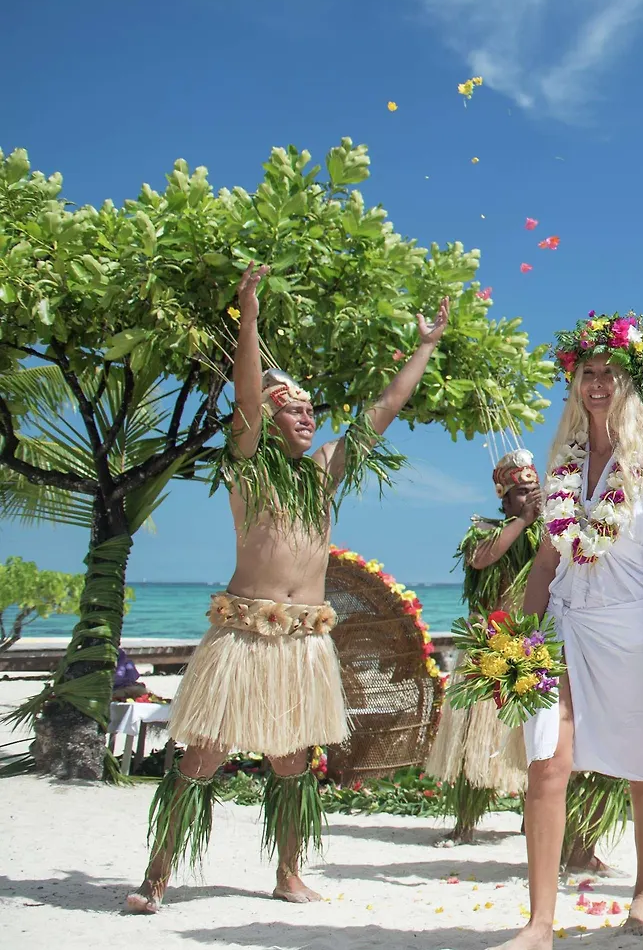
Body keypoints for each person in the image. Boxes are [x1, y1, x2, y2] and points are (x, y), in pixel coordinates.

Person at [129, 264, 446, 912]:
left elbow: (382, 411)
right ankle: (157, 876)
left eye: (309, 412)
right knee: (201, 760)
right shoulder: (248, 469)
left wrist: (425, 348)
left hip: (304, 642)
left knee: (293, 765)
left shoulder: (324, 474)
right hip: (245, 635)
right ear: (269, 422)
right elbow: (247, 402)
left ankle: (288, 873)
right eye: (293, 411)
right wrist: (247, 316)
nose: (306, 420)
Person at [490, 310, 643, 949]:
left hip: (630, 630)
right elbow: (548, 559)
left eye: (610, 373)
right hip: (562, 627)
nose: (598, 383)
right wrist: (518, 644)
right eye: (588, 372)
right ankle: (540, 922)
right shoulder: (562, 463)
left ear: (631, 382)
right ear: (574, 381)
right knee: (546, 765)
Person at [426, 447, 542, 845]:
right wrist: (523, 520)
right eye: (523, 492)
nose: (532, 498)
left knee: (534, 741)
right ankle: (465, 822)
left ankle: (534, 820)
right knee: (476, 743)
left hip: (530, 651)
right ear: (504, 497)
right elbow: (480, 559)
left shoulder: (546, 536)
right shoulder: (484, 531)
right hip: (488, 649)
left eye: (535, 490)